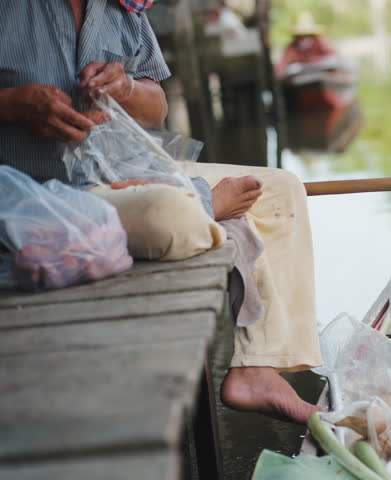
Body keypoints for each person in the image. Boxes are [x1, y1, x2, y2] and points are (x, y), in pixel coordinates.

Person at [0, 1, 323, 423]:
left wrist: (127, 90)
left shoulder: (123, 5)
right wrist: (10, 105)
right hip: (38, 200)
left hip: (123, 174)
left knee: (282, 189)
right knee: (167, 212)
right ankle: (202, 204)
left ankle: (258, 368)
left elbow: (157, 107)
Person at [274, 12, 339, 78]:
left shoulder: (320, 42)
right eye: (299, 35)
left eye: (304, 34)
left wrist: (314, 62)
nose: (302, 38)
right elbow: (281, 67)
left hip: (323, 75)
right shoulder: (291, 48)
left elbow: (335, 57)